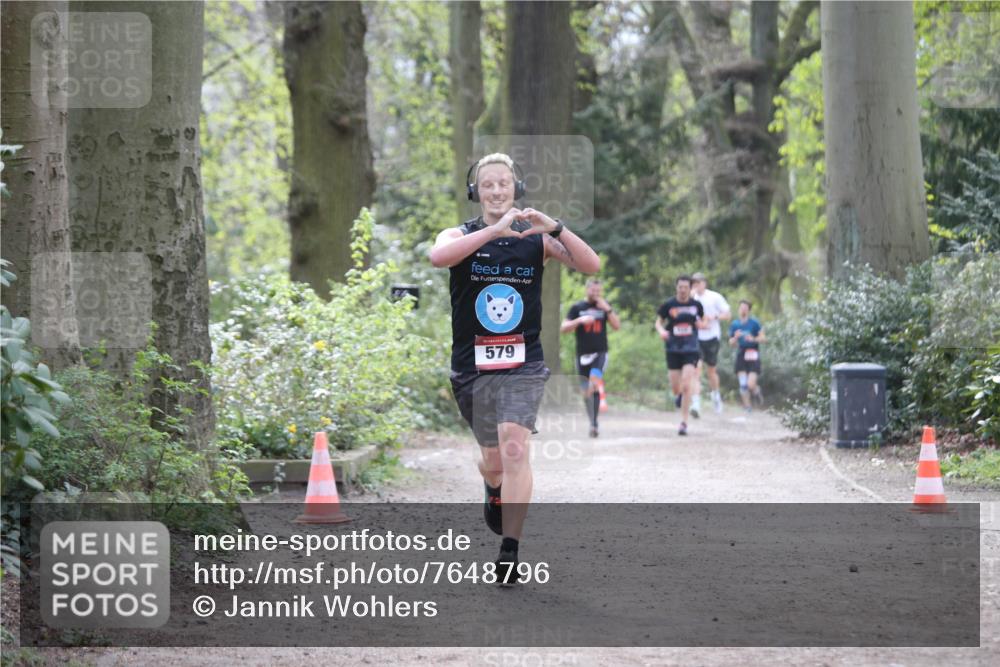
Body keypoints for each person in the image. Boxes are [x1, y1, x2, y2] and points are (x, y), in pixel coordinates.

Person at [429, 153, 600, 583]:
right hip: (472, 367)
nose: (496, 191)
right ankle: (492, 487)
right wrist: (491, 232)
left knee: (514, 447)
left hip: (523, 362)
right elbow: (439, 257)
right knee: (493, 461)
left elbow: (591, 264)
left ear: (515, 189)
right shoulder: (460, 234)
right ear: (476, 192)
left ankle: (510, 550)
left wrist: (555, 227)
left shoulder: (535, 240)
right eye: (488, 185)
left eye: (503, 183)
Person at [561, 279, 620, 438]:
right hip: (582, 355)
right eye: (593, 291)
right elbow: (563, 328)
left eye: (598, 291)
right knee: (586, 392)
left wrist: (607, 309)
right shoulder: (577, 308)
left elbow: (617, 326)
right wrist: (580, 320)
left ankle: (594, 425)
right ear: (587, 290)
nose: (595, 294)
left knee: (594, 383)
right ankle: (593, 422)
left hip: (600, 353)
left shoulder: (604, 307)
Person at [655, 275, 705, 436]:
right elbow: (658, 322)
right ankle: (679, 397)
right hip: (673, 348)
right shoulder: (669, 304)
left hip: (691, 348)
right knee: (676, 388)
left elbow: (704, 322)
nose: (683, 290)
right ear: (676, 288)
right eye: (680, 287)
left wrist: (701, 324)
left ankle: (684, 423)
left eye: (686, 287)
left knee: (686, 384)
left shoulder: (696, 305)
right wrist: (662, 331)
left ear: (690, 289)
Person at [690, 272, 731, 416]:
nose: (696, 285)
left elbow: (727, 314)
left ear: (704, 283)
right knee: (696, 370)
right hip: (696, 338)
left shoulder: (714, 297)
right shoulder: (690, 298)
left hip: (712, 337)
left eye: (698, 282)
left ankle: (716, 395)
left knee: (711, 371)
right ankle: (695, 403)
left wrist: (713, 317)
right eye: (694, 283)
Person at [728, 300, 766, 412]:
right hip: (741, 353)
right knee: (743, 384)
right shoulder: (735, 324)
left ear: (748, 310)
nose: (743, 309)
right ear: (739, 309)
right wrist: (735, 338)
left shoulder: (754, 323)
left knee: (750, 384)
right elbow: (731, 343)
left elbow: (763, 338)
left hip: (753, 353)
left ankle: (756, 391)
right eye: (741, 307)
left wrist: (753, 339)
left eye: (745, 307)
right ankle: (747, 406)